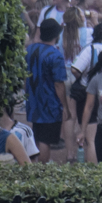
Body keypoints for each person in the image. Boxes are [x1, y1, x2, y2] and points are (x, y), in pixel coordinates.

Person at [24, 18, 69, 162]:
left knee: (37, 134)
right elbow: (59, 84)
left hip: (32, 99)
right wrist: (65, 107)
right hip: (49, 102)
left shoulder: (29, 50)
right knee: (45, 139)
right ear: (56, 35)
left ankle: (37, 165)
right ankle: (42, 169)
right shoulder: (55, 55)